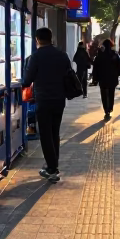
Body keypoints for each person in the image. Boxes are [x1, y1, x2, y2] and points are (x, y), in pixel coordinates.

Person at [22, 26, 74, 182]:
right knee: (54, 132)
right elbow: (68, 74)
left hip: (43, 100)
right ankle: (53, 164)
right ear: (51, 38)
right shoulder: (62, 55)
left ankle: (52, 168)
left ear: (37, 39)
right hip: (59, 100)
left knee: (45, 134)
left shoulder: (35, 57)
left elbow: (27, 80)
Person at [91, 38, 120, 119]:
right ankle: (110, 108)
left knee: (104, 94)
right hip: (112, 78)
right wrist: (118, 74)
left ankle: (106, 110)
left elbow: (95, 68)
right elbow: (119, 67)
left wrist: (95, 78)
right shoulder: (114, 55)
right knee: (111, 93)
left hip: (102, 79)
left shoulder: (100, 56)